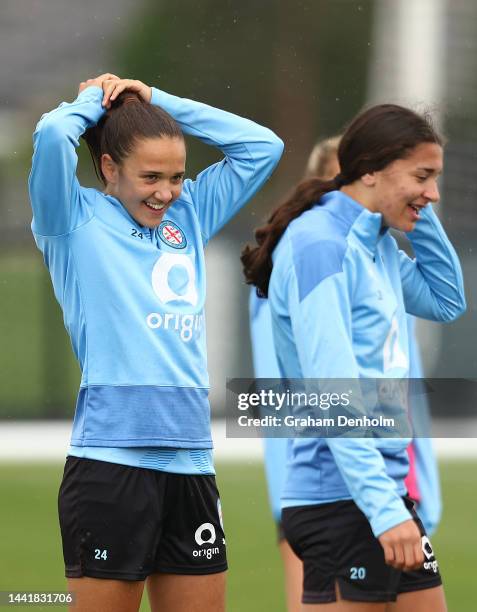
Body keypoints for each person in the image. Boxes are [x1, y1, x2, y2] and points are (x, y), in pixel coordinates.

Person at [29, 73, 283, 612]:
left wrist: (157, 101)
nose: (167, 192)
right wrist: (91, 104)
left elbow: (263, 146)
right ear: (107, 168)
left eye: (176, 176)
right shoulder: (70, 219)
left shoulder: (188, 214)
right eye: (150, 176)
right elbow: (53, 136)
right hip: (110, 465)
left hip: (191, 465)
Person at [242, 103, 465, 610]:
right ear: (369, 170)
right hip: (337, 498)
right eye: (423, 176)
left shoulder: (375, 240)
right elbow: (332, 397)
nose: (433, 193)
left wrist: (415, 210)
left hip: (380, 490)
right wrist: (385, 511)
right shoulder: (321, 244)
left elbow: (447, 300)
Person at [249, 136, 340, 612]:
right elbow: (281, 389)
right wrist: (292, 499)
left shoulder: (376, 263)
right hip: (316, 485)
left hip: (381, 482)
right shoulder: (294, 265)